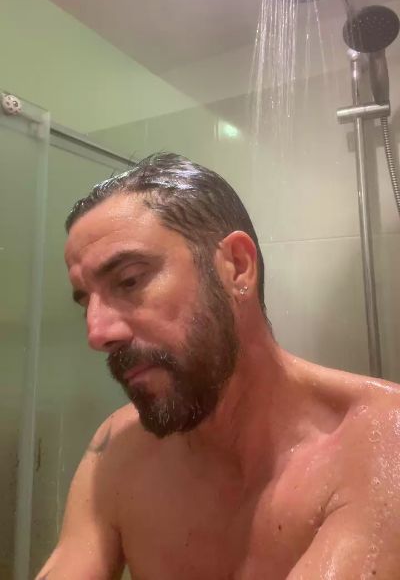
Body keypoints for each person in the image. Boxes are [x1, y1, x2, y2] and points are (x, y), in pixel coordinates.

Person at [36, 152, 400, 580]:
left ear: (237, 267)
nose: (97, 333)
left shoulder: (380, 442)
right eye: (87, 303)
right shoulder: (119, 449)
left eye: (130, 280)